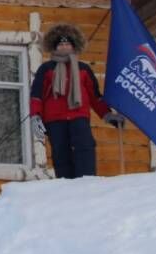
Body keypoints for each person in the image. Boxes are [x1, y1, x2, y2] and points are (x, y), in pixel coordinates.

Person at [29, 23, 124, 179]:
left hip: (79, 117)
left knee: (85, 148)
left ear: (74, 46)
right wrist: (35, 116)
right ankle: (66, 186)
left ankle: (87, 182)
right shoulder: (46, 69)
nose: (64, 47)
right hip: (54, 119)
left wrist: (107, 115)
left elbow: (95, 96)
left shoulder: (83, 69)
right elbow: (36, 95)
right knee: (61, 153)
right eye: (61, 44)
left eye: (67, 44)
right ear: (54, 47)